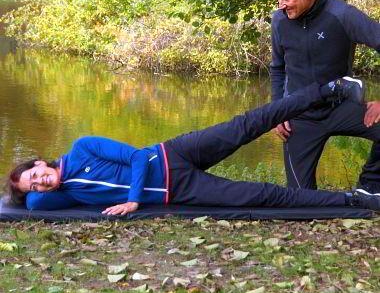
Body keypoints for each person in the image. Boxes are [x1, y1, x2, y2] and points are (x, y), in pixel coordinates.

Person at [6, 79, 380, 215]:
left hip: (174, 153)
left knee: (251, 123)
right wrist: (21, 192)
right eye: (34, 184)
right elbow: (36, 204)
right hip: (180, 189)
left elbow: (137, 156)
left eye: (36, 174)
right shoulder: (63, 193)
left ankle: (329, 89)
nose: (40, 183)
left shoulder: (83, 148)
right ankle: (355, 199)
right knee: (263, 195)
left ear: (41, 161)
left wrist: (134, 199)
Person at [271, 0, 380, 192]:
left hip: (342, 108)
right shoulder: (279, 21)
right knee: (300, 199)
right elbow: (278, 68)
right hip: (300, 116)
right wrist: (277, 110)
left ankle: (369, 187)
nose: (281, 5)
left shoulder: (342, 15)